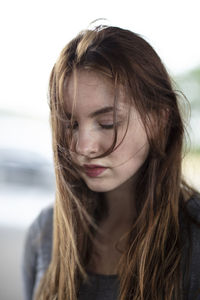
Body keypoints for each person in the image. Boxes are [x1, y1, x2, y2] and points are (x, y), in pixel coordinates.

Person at [22, 24, 200, 300]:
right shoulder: (45, 231)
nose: (82, 147)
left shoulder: (195, 235)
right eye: (70, 124)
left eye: (107, 123)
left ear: (160, 122)